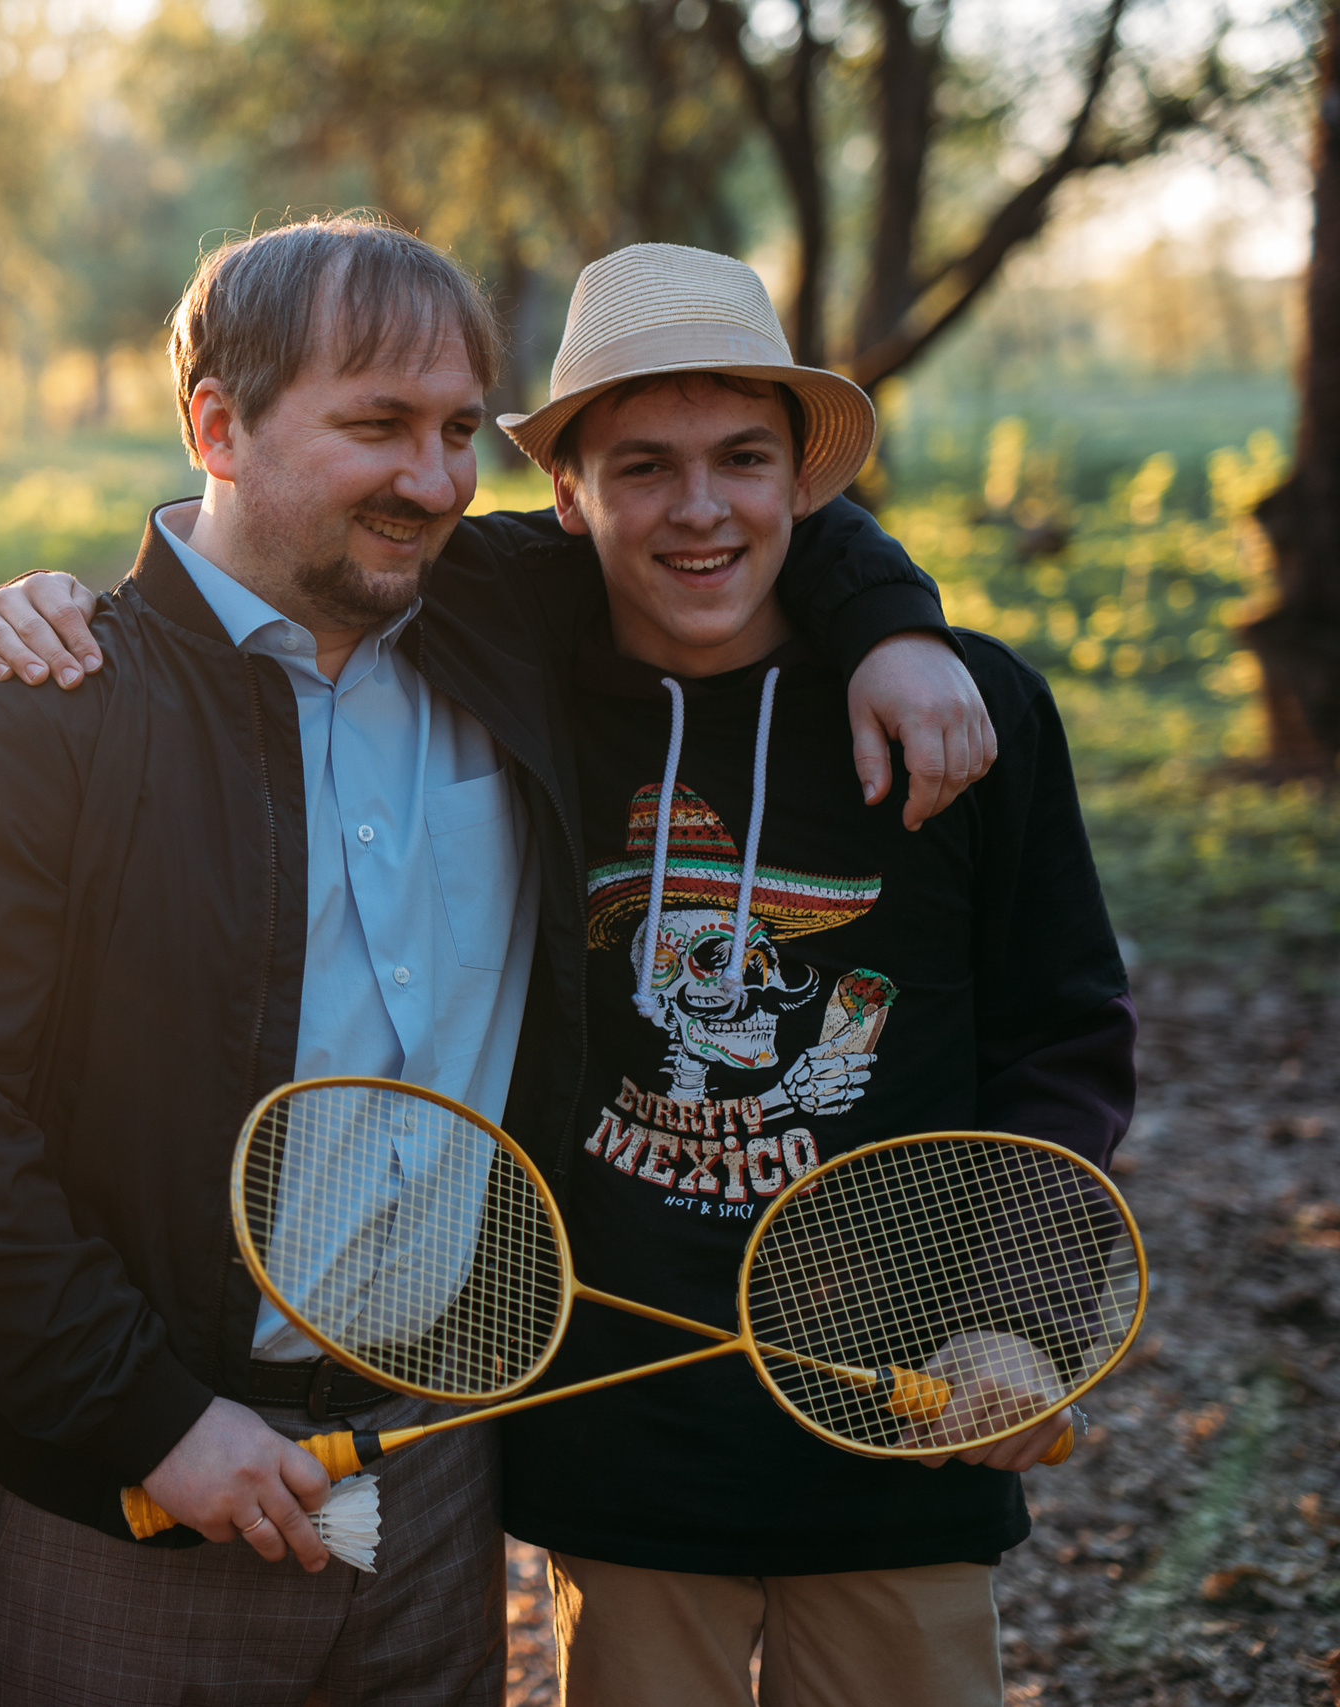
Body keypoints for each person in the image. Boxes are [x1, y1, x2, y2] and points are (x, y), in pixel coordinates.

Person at [0, 214, 989, 1707]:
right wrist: (148, 1422)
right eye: (377, 424)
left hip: (436, 1473)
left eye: (461, 429)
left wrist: (893, 623)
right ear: (218, 423)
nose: (435, 480)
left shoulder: (499, 609)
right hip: (139, 1499)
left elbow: (708, 492)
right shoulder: (58, 704)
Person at [483, 243, 1132, 1707]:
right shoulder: (508, 674)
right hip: (623, 1424)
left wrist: (1016, 1325)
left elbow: (1061, 1038)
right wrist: (62, 608)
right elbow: (309, 565)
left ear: (806, 485)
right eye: (642, 465)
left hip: (902, 1415)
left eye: (744, 460)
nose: (701, 508)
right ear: (568, 491)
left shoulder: (970, 713)